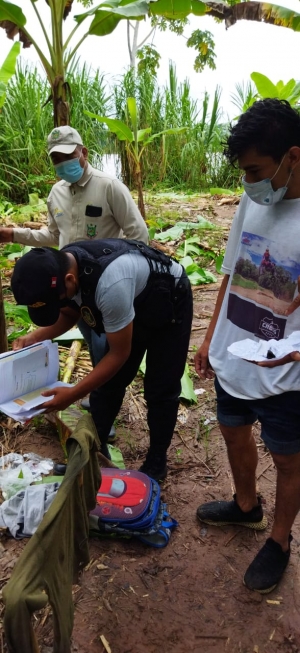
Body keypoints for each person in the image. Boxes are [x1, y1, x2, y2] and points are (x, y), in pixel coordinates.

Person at [194, 99, 300, 594]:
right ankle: (245, 506)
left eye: (256, 171)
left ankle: (279, 540)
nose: (249, 183)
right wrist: (212, 337)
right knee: (234, 433)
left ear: (292, 158)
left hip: (286, 368)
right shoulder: (253, 200)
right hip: (237, 353)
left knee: (288, 459)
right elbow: (232, 270)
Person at [0, 125, 148, 429]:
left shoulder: (109, 187)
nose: (62, 162)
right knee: (96, 345)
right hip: (69, 291)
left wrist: (127, 281)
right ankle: (100, 400)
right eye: (56, 158)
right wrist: (11, 233)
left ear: (83, 153)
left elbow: (138, 235)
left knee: (112, 348)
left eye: (68, 155)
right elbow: (51, 236)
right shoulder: (56, 193)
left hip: (107, 289)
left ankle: (104, 413)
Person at [10, 238, 193, 481]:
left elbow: (119, 354)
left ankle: (156, 462)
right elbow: (69, 313)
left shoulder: (109, 284)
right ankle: (90, 456)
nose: (59, 304)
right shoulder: (63, 266)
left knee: (161, 388)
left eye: (56, 299)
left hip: (170, 298)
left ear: (70, 280)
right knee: (108, 386)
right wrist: (35, 337)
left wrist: (73, 394)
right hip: (134, 301)